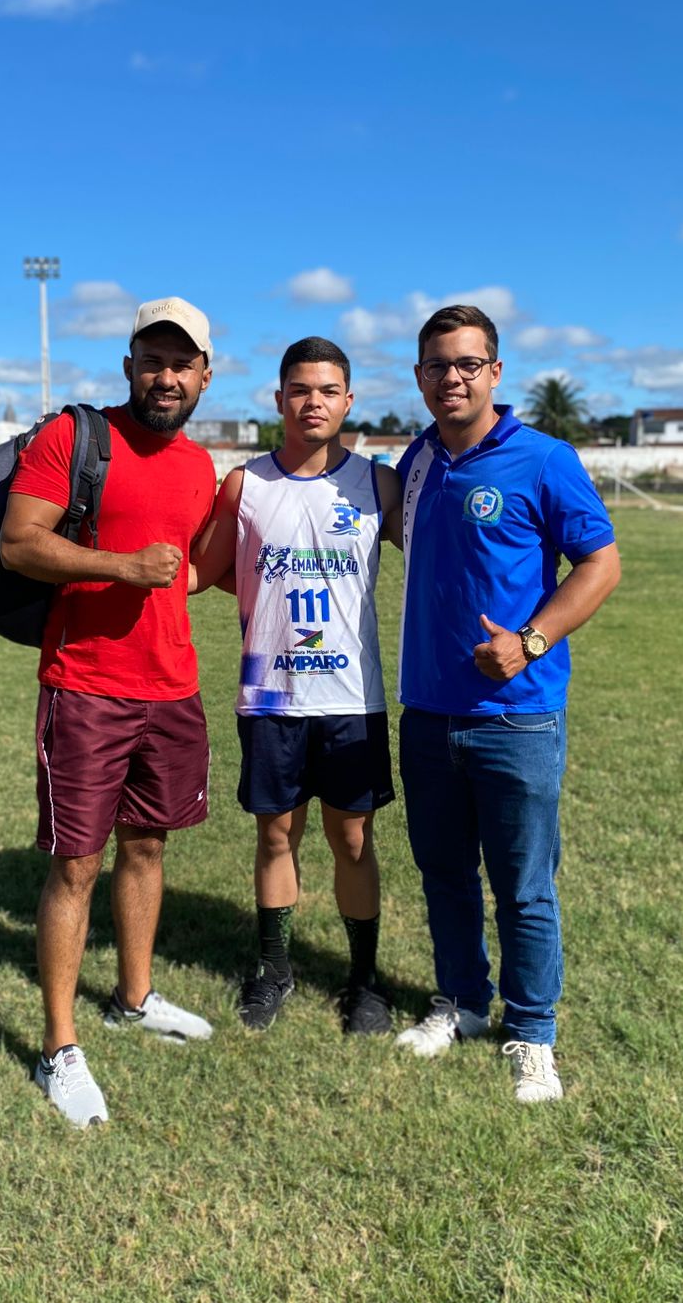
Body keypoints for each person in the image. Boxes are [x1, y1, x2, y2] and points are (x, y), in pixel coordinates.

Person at [0, 295, 218, 1128]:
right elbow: (20, 541)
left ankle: (134, 996)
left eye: (181, 364)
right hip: (86, 685)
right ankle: (59, 1048)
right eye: (152, 361)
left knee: (148, 845)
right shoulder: (75, 437)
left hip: (172, 686)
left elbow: (190, 568)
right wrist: (121, 567)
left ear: (205, 376)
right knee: (76, 865)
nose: (166, 377)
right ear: (129, 366)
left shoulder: (199, 466)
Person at [393, 304, 620, 1101]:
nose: (451, 378)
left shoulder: (545, 459)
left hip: (517, 717)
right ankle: (461, 1002)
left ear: (494, 371)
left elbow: (601, 564)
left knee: (524, 887)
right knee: (444, 875)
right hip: (427, 713)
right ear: (419, 376)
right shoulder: (418, 460)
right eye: (436, 366)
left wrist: (530, 640)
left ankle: (532, 1032)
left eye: (467, 364)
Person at [193, 337, 401, 1033]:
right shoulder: (245, 484)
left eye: (328, 390)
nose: (314, 402)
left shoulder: (378, 484)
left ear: (349, 401)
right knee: (276, 835)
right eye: (301, 390)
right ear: (279, 398)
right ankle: (274, 969)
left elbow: (442, 556)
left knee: (353, 840)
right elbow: (199, 572)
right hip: (271, 695)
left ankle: (364, 981)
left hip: (353, 699)